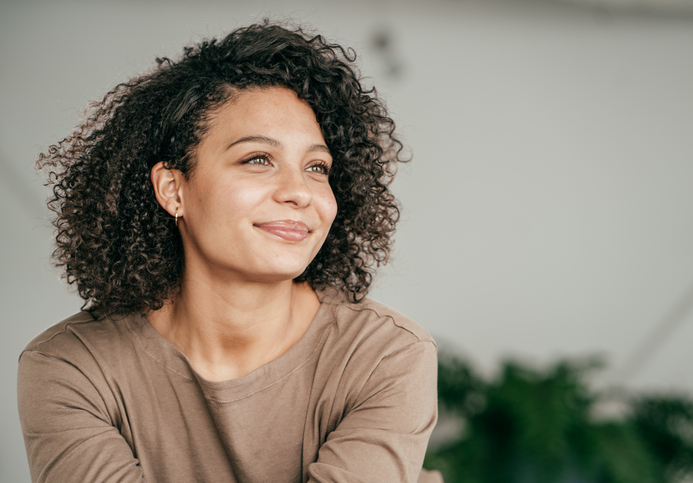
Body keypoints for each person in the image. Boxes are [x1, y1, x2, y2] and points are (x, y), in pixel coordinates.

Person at [18, 21, 441, 483]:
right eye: (257, 159)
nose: (300, 192)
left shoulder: (387, 357)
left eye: (317, 167)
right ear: (172, 188)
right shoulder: (70, 367)